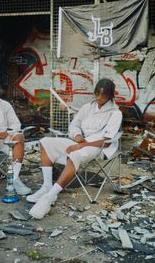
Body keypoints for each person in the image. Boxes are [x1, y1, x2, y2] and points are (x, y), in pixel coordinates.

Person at [27, 78, 122, 219]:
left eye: (103, 95)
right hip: (81, 142)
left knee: (75, 153)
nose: (99, 98)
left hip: (97, 147)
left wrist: (80, 145)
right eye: (97, 94)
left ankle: (49, 197)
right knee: (45, 141)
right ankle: (47, 186)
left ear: (110, 95)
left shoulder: (115, 113)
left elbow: (107, 142)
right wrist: (77, 135)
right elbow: (74, 125)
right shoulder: (87, 107)